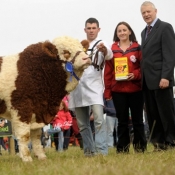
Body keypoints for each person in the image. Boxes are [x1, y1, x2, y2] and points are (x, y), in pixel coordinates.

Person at [69, 17, 113, 156]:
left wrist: (104, 50)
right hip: (79, 88)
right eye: (89, 28)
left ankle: (101, 151)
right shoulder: (78, 46)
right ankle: (89, 151)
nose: (91, 30)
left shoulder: (102, 43)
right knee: (82, 124)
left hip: (94, 87)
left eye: (94, 28)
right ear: (85, 29)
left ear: (98, 29)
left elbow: (109, 56)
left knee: (99, 119)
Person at [104, 21, 147, 153]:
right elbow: (108, 71)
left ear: (129, 31)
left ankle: (140, 147)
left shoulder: (138, 48)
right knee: (121, 121)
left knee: (138, 120)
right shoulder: (111, 50)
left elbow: (143, 67)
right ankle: (122, 149)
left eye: (124, 30)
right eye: (119, 31)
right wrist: (108, 90)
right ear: (116, 34)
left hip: (136, 90)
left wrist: (135, 74)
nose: (122, 33)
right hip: (118, 91)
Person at [140, 1, 175, 151]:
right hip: (147, 81)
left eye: (149, 11)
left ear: (155, 11)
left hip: (162, 79)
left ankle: (172, 142)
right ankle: (159, 144)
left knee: (166, 113)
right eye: (143, 13)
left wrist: (166, 76)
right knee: (153, 115)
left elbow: (169, 54)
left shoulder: (165, 27)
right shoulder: (144, 32)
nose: (146, 15)